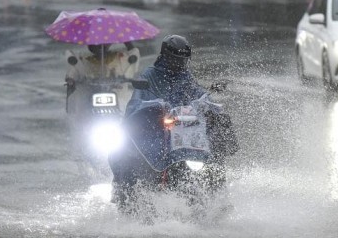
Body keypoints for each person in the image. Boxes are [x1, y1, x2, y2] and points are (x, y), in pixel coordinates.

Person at [108, 35, 238, 204]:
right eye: (176, 60)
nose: (179, 64)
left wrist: (208, 101)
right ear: (166, 56)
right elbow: (138, 102)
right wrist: (156, 108)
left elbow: (198, 94)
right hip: (155, 130)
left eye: (183, 61)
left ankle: (219, 196)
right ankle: (128, 194)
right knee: (126, 153)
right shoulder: (150, 75)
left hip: (184, 129)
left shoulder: (185, 77)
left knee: (217, 138)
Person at [65, 42, 140, 116]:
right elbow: (73, 72)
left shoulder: (119, 58)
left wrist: (127, 42)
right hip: (90, 97)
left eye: (104, 45)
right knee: (81, 111)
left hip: (117, 95)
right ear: (91, 47)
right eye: (97, 45)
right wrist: (71, 80)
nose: (101, 47)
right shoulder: (83, 61)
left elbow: (133, 55)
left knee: (130, 111)